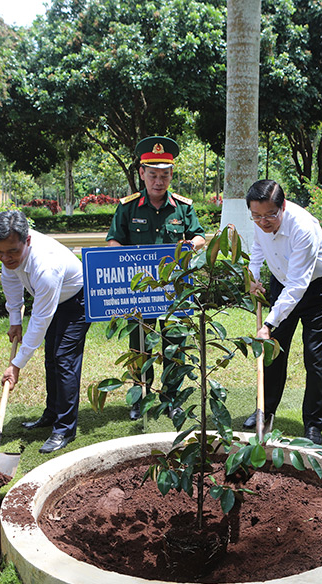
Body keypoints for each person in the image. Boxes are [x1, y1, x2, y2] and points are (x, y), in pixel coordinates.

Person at [106, 136, 205, 419]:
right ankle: (139, 396)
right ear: (141, 173)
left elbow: (199, 235)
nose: (158, 181)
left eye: (164, 175)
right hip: (139, 289)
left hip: (175, 289)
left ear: (171, 175)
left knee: (175, 342)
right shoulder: (127, 207)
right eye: (152, 175)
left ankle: (173, 398)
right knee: (139, 343)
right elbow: (114, 240)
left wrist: (192, 244)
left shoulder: (183, 207)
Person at [0, 210, 90, 454]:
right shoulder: (8, 253)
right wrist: (15, 320)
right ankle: (52, 414)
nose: (5, 257)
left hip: (77, 301)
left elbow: (40, 319)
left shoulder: (46, 266)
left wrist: (16, 364)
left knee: (64, 359)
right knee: (51, 359)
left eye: (12, 251)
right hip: (54, 299)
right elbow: (11, 280)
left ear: (28, 240)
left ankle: (64, 429)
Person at [244, 179, 322, 445]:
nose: (263, 221)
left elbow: (298, 285)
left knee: (312, 355)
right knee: (274, 351)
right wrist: (253, 275)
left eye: (270, 215)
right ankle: (265, 410)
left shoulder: (303, 228)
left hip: (315, 290)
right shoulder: (260, 220)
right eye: (256, 216)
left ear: (282, 206)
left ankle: (313, 425)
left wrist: (269, 323)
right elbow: (258, 248)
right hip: (281, 283)